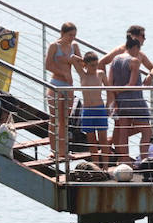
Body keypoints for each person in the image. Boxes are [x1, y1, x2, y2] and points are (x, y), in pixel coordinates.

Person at [108, 37, 153, 164]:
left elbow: (110, 83)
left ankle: (125, 161)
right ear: (134, 47)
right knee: (147, 131)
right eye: (138, 49)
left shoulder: (115, 60)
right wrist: (121, 90)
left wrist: (116, 95)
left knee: (123, 131)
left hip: (121, 102)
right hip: (135, 100)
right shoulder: (134, 61)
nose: (138, 52)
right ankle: (144, 160)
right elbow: (132, 84)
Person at [44, 21, 83, 162]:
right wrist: (61, 72)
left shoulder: (74, 46)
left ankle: (64, 151)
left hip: (69, 86)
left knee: (65, 121)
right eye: (70, 35)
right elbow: (47, 65)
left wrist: (74, 60)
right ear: (62, 33)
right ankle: (53, 151)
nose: (72, 38)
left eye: (74, 35)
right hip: (56, 84)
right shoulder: (55, 46)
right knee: (54, 119)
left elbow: (82, 64)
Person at [75, 52, 111, 168]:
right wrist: (83, 60)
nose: (94, 67)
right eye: (92, 65)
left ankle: (105, 166)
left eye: (96, 64)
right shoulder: (82, 74)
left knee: (103, 140)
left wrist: (108, 106)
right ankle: (96, 165)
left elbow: (109, 90)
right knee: (91, 141)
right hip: (87, 110)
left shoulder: (100, 74)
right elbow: (71, 58)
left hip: (99, 109)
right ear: (85, 65)